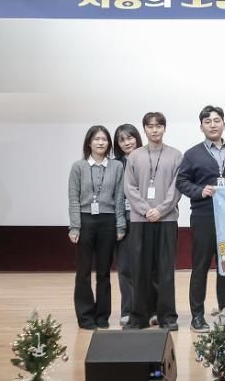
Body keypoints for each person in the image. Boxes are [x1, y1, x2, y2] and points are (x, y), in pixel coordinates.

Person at [176, 105, 225, 333]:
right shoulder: (192, 154)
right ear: (201, 127)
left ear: (224, 124)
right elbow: (181, 181)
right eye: (208, 122)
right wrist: (199, 191)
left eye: (216, 121)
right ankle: (197, 316)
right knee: (200, 267)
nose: (212, 125)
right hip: (204, 216)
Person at [123, 112, 183, 331]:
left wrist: (160, 209)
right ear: (145, 129)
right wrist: (146, 210)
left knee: (165, 270)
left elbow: (177, 187)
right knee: (140, 269)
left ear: (164, 128)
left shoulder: (175, 155)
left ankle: (167, 317)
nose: (155, 130)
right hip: (140, 220)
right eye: (150, 126)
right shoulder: (134, 156)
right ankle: (138, 317)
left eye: (158, 126)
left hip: (166, 219)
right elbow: (129, 187)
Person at [68, 125, 125, 329]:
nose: (101, 142)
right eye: (96, 139)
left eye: (104, 139)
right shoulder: (78, 167)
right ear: (89, 143)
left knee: (104, 272)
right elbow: (73, 199)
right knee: (83, 272)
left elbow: (119, 197)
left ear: (109, 143)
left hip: (108, 221)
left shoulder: (116, 166)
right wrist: (75, 227)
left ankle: (102, 316)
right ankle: (85, 317)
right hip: (85, 221)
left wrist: (120, 225)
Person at [112, 124, 145, 327]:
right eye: (122, 139)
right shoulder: (115, 165)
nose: (127, 142)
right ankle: (128, 310)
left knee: (146, 267)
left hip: (145, 217)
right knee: (125, 267)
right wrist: (119, 222)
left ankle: (147, 309)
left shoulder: (148, 159)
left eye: (130, 137)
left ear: (137, 138)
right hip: (123, 219)